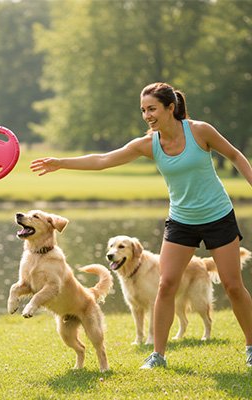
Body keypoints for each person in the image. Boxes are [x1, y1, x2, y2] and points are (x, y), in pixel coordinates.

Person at [30, 82, 252, 369]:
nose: (147, 115)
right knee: (166, 284)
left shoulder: (199, 131)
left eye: (152, 108)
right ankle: (157, 355)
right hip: (182, 220)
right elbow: (103, 159)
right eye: (143, 110)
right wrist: (61, 162)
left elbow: (234, 154)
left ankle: (250, 347)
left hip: (218, 216)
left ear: (170, 108)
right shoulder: (149, 144)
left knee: (234, 286)